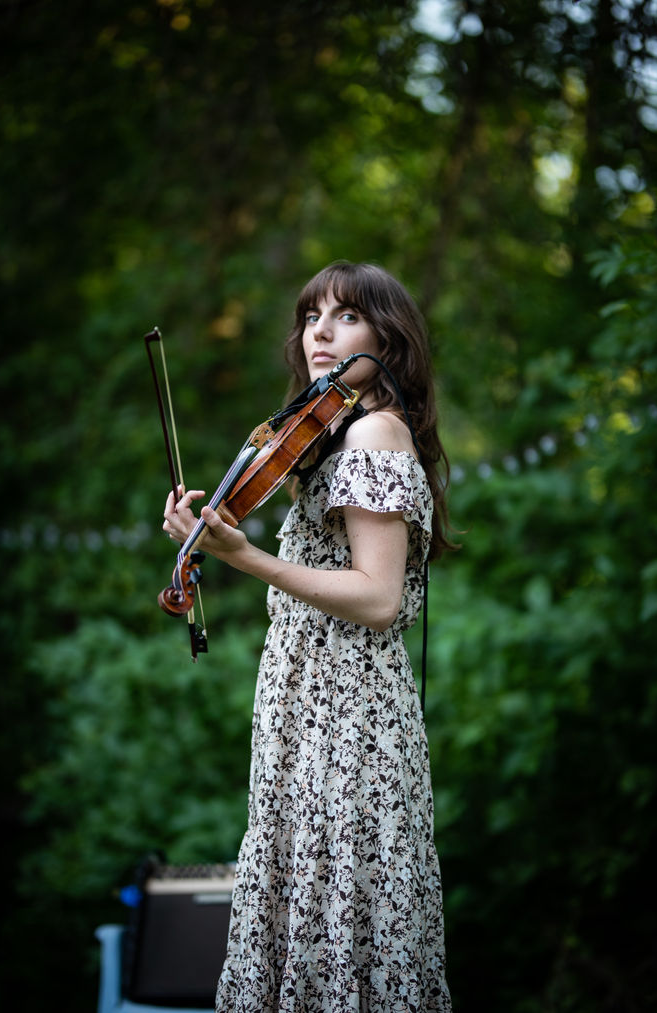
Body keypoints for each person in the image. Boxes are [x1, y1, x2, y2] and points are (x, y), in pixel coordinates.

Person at [163, 261, 454, 1012]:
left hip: (348, 716)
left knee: (340, 935)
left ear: (387, 337)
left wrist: (243, 556)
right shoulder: (334, 436)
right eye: (309, 315)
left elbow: (379, 596)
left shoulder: (375, 433)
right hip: (309, 714)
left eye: (345, 315)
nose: (318, 331)